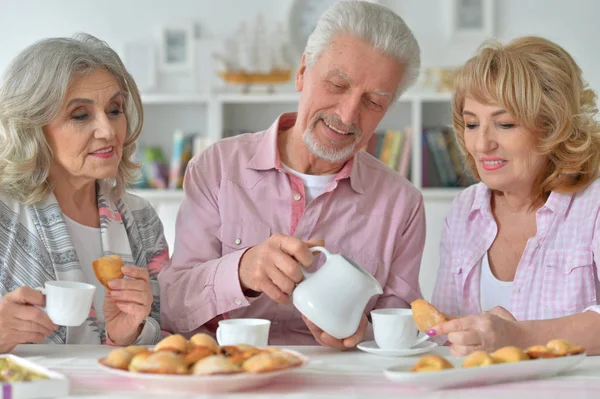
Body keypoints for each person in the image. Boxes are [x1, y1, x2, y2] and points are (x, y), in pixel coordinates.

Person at [159, 0, 425, 349]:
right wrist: (240, 271)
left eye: (373, 102)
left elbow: (401, 331)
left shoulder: (402, 204)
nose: (347, 115)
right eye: (337, 84)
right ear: (302, 71)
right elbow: (169, 308)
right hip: (231, 373)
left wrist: (363, 333)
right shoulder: (216, 168)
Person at [429, 36, 600, 356]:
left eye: (504, 124)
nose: (481, 144)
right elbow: (445, 329)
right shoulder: (464, 209)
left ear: (553, 127)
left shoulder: (593, 206)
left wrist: (518, 336)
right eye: (471, 124)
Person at [0, 33, 169, 352]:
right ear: (32, 127)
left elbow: (169, 340)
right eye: (80, 115)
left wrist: (128, 335)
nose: (108, 130)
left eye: (115, 109)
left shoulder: (142, 220)